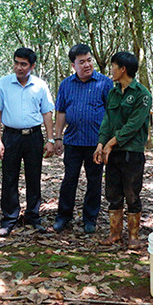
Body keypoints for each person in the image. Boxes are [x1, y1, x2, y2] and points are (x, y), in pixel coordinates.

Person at [0, 47, 55, 236]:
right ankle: (9, 218)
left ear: (32, 66)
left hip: (34, 136)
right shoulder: (2, 84)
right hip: (11, 136)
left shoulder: (40, 85)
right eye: (16, 62)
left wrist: (50, 139)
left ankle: (33, 216)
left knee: (34, 177)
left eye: (24, 64)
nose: (19, 67)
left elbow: (47, 112)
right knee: (9, 177)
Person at [52, 44, 113, 234]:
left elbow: (111, 113)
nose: (87, 65)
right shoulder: (66, 84)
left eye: (89, 60)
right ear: (73, 65)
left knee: (94, 180)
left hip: (96, 143)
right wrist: (58, 137)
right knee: (70, 179)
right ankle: (64, 216)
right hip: (72, 141)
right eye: (81, 62)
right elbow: (61, 111)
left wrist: (106, 143)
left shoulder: (104, 83)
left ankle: (90, 218)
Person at [94, 51, 151, 247]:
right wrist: (101, 143)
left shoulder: (142, 94)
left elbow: (134, 125)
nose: (111, 70)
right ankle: (115, 234)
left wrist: (111, 143)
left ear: (123, 69)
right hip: (113, 153)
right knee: (113, 193)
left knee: (132, 194)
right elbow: (107, 120)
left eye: (114, 66)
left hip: (131, 152)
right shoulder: (112, 92)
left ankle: (134, 237)